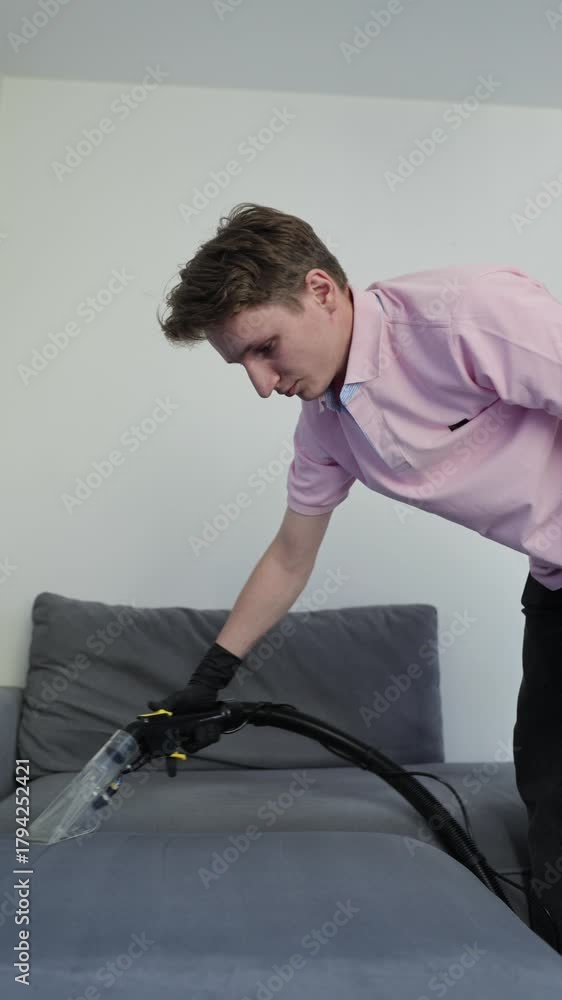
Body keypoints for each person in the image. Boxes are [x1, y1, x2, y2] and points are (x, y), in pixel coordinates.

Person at [149, 202, 562, 950]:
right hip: (555, 585)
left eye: (265, 349)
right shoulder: (326, 427)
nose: (262, 384)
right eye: (242, 365)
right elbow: (290, 555)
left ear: (321, 291)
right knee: (549, 783)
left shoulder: (465, 316)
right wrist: (207, 679)